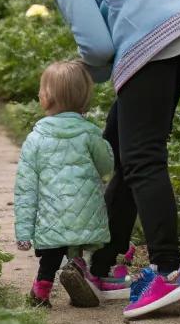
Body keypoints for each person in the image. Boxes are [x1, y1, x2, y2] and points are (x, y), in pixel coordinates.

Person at [1, 0, 180, 320]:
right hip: (179, 35)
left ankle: (168, 272)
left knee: (142, 158)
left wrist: (79, 74)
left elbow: (97, 47)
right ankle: (104, 265)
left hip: (149, 44)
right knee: (120, 149)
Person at [14, 60, 117, 309]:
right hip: (85, 211)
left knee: (51, 255)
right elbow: (106, 168)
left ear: (46, 97)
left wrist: (24, 231)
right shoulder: (90, 133)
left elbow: (25, 187)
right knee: (75, 242)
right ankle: (77, 270)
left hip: (51, 214)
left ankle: (41, 291)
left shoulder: (36, 138)